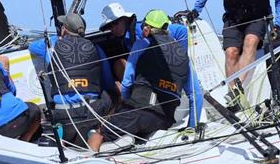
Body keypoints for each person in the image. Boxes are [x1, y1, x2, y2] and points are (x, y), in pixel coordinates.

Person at [87, 10, 203, 152]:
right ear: (166, 28)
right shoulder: (184, 57)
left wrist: (122, 105)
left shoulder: (141, 44)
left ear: (146, 28)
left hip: (138, 112)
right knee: (135, 122)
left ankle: (90, 159)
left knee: (97, 131)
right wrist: (192, 128)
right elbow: (196, 94)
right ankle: (128, 137)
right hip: (165, 119)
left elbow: (127, 83)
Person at [30, 13, 116, 146]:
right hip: (92, 111)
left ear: (64, 28)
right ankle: (96, 131)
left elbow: (33, 47)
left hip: (62, 112)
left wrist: (57, 38)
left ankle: (60, 137)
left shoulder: (52, 46)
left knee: (56, 112)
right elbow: (108, 81)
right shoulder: (96, 48)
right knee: (114, 92)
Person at [98, 2, 188, 82]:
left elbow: (182, 30)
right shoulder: (122, 40)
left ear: (124, 20)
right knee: (119, 65)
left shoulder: (141, 29)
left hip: (163, 71)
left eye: (115, 23)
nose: (113, 28)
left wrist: (181, 58)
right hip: (144, 75)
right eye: (109, 26)